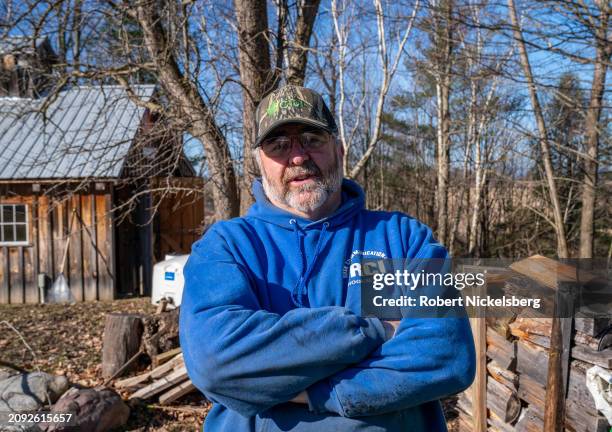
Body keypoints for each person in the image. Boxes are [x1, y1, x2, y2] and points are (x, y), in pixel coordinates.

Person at [179, 85, 475, 432]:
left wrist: (310, 391)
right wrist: (374, 330)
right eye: (278, 145)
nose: (298, 156)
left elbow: (446, 353)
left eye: (311, 139)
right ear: (260, 163)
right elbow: (216, 361)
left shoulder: (402, 239)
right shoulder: (228, 247)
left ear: (340, 150)